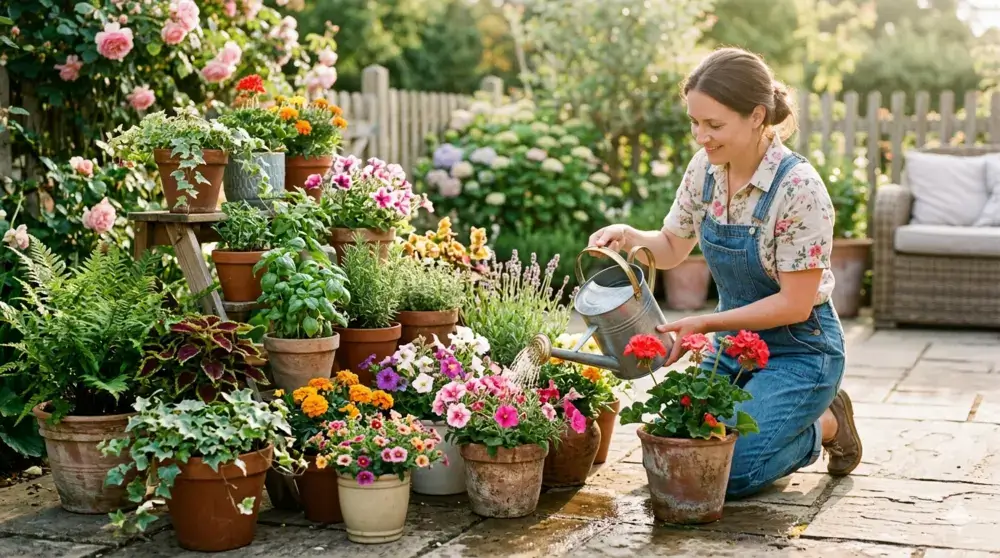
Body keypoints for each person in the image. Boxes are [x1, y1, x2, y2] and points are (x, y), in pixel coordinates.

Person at [588, 46, 862, 499]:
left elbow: (794, 303)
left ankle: (828, 423)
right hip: (735, 345)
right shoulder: (706, 170)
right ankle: (791, 418)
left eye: (714, 125)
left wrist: (706, 324)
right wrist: (627, 235)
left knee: (725, 473)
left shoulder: (799, 189)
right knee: (676, 448)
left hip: (801, 351)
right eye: (695, 122)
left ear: (757, 116)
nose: (701, 136)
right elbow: (672, 247)